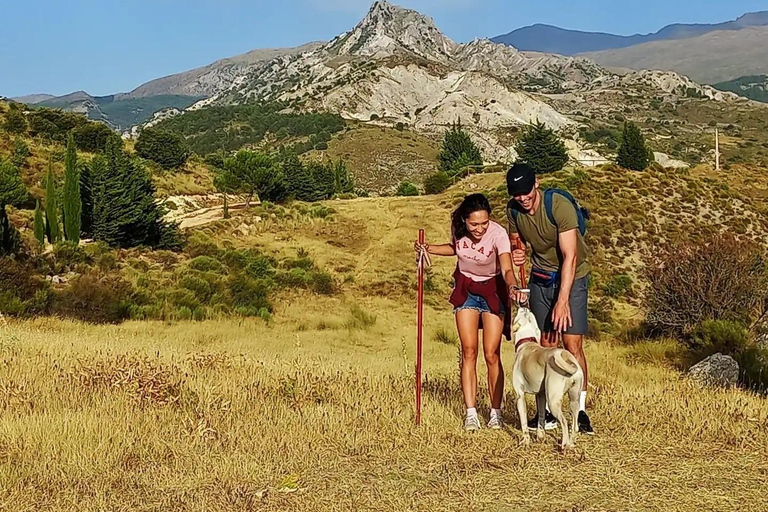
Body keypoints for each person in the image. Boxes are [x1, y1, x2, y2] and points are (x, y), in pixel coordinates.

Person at [414, 193, 519, 431]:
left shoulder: (498, 234)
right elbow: (454, 248)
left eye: (484, 223)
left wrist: (512, 286)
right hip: (466, 288)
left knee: (491, 353)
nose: (480, 229)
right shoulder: (458, 227)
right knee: (469, 350)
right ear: (464, 220)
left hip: (493, 289)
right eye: (474, 224)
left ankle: (495, 413)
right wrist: (428, 248)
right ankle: (471, 412)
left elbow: (506, 266)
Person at [505, 162, 595, 435]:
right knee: (545, 344)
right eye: (517, 194)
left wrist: (563, 300)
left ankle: (580, 411)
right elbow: (515, 242)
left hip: (572, 276)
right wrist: (517, 252)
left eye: (526, 192)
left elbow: (571, 256)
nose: (523, 198)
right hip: (541, 277)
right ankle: (546, 413)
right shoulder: (513, 211)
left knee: (572, 344)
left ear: (537, 183)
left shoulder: (557, 206)